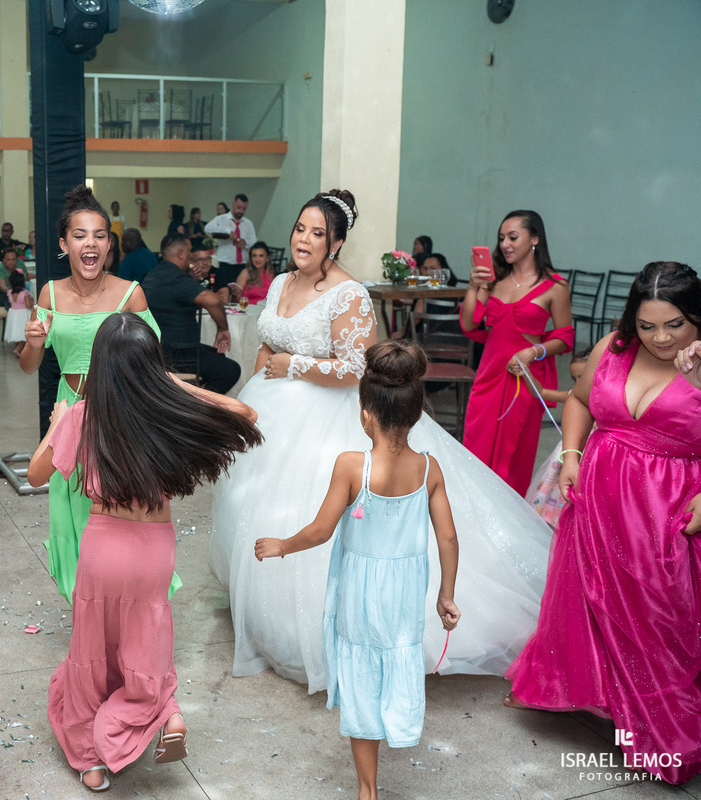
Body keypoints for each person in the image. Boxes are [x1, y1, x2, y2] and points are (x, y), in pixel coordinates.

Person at [210, 190, 554, 694]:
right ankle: (263, 611)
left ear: (337, 242)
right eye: (300, 229)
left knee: (312, 509)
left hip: (326, 416)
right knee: (257, 504)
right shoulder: (282, 280)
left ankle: (319, 629)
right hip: (272, 406)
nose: (304, 240)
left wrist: (294, 365)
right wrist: (269, 353)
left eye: (317, 233)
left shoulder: (349, 294)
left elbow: (358, 368)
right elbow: (273, 332)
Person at [29, 312, 262, 792]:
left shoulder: (81, 416)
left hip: (102, 549)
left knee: (92, 648)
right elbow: (246, 415)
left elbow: (35, 475)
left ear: (99, 366)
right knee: (146, 642)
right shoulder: (166, 413)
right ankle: (162, 714)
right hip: (153, 553)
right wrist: (173, 385)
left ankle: (90, 762)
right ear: (151, 366)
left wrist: (55, 425)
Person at [505, 262, 701, 785]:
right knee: (596, 608)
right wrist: (571, 454)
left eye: (675, 324)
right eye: (648, 325)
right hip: (597, 499)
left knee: (662, 621)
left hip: (667, 510)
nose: (660, 338)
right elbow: (578, 401)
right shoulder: (614, 347)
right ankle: (618, 712)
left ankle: (666, 732)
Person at [256, 341, 461, 800]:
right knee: (396, 657)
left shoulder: (353, 466)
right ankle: (397, 721)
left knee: (362, 675)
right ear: (415, 414)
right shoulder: (429, 469)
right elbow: (448, 539)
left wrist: (281, 546)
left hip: (359, 594)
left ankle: (367, 790)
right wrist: (446, 595)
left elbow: (321, 530)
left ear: (366, 412)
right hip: (404, 595)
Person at [20, 184, 179, 605]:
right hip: (69, 407)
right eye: (79, 235)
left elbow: (152, 361)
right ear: (63, 244)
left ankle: (128, 600)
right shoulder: (49, 295)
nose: (90, 243)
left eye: (99, 235)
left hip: (120, 413)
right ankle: (86, 604)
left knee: (116, 508)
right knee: (69, 511)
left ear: (109, 243)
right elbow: (28, 365)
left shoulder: (130, 293)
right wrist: (34, 343)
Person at [460, 210, 574, 494]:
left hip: (523, 379)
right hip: (488, 376)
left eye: (513, 237)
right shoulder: (495, 280)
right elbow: (470, 323)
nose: (505, 245)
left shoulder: (555, 286)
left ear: (535, 238)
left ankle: (505, 526)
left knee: (513, 455)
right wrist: (475, 286)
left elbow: (564, 337)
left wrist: (533, 352)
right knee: (476, 447)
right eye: (501, 239)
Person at [142, 235, 240, 395]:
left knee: (217, 357)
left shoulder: (153, 275)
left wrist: (191, 279)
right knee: (231, 370)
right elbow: (213, 301)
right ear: (181, 254)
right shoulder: (176, 278)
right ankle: (196, 407)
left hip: (158, 349)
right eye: (189, 252)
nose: (191, 257)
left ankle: (190, 401)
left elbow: (173, 295)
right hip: (179, 354)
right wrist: (223, 329)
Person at [523, 348, 591, 528]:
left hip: (591, 458)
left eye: (582, 378)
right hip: (567, 458)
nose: (577, 384)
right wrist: (526, 372)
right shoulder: (575, 395)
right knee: (558, 500)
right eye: (574, 379)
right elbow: (542, 393)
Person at [205, 193, 256, 289]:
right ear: (233, 204)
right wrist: (227, 231)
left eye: (244, 208)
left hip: (242, 265)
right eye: (239, 207)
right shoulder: (221, 219)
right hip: (225, 264)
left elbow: (253, 240)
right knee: (225, 290)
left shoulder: (248, 223)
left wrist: (246, 243)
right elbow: (207, 229)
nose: (241, 211)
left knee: (240, 291)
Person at [235, 241, 275, 305]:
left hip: (264, 309)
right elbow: (236, 298)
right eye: (254, 256)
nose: (257, 259)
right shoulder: (246, 273)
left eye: (261, 256)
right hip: (247, 309)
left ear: (267, 258)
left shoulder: (270, 274)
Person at [4, 267, 33, 357]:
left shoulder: (9, 292)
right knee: (22, 333)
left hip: (14, 314)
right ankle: (17, 350)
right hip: (23, 314)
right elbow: (28, 305)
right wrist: (32, 299)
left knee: (17, 332)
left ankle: (18, 348)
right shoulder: (25, 293)